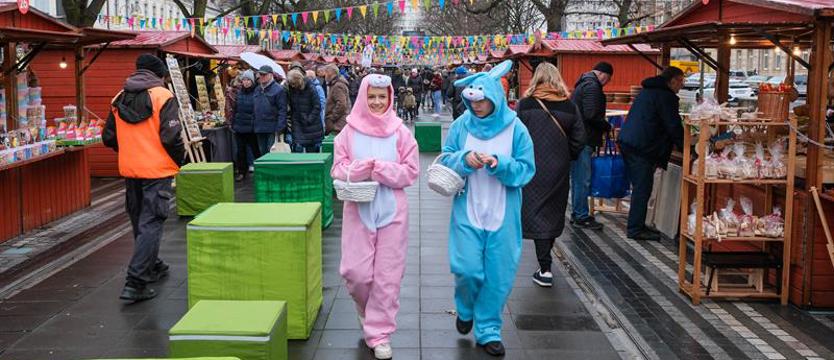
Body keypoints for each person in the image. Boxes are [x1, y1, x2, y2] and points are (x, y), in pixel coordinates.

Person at [439, 61, 535, 357]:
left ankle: (489, 329)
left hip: (503, 213)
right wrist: (464, 159)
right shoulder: (460, 126)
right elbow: (445, 160)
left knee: (499, 274)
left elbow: (526, 170)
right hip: (467, 208)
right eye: (472, 100)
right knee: (467, 269)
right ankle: (465, 307)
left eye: (482, 100)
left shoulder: (516, 128)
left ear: (495, 96)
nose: (477, 106)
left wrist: (501, 164)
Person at [332, 73, 419, 360]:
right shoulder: (349, 132)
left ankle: (379, 333)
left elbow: (411, 171)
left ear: (391, 98)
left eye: (383, 96)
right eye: (372, 97)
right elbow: (338, 168)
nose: (378, 102)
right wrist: (361, 169)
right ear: (362, 97)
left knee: (387, 278)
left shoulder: (400, 132)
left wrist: (380, 169)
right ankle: (365, 310)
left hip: (393, 212)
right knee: (356, 274)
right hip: (359, 210)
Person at [103, 54, 186, 302]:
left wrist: (130, 150)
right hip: (157, 170)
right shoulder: (163, 96)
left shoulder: (119, 97)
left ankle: (153, 264)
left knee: (140, 220)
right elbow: (171, 136)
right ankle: (136, 281)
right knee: (152, 223)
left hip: (131, 169)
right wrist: (178, 160)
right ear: (159, 75)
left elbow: (109, 137)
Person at [516, 63, 585, 287]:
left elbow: (515, 137)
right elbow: (579, 139)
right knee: (553, 211)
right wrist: (567, 156)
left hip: (531, 167)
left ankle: (545, 268)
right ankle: (545, 265)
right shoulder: (569, 106)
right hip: (558, 167)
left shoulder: (525, 105)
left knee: (535, 211)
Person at [618, 66, 685, 241]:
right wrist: (687, 147)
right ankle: (635, 229)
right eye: (681, 81)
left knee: (640, 186)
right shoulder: (666, 96)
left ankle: (638, 223)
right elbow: (673, 125)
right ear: (672, 81)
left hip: (631, 142)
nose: (682, 85)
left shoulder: (648, 91)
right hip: (642, 147)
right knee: (643, 187)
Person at [569, 61, 613, 231]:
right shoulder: (592, 86)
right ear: (603, 74)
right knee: (582, 179)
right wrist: (606, 126)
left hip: (578, 138)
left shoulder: (583, 83)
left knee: (578, 179)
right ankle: (581, 215)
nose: (606, 83)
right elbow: (591, 114)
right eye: (608, 79)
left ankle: (577, 212)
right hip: (584, 139)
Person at [230, 70, 261, 181]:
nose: (246, 82)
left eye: (248, 80)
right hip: (239, 126)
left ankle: (260, 170)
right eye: (244, 80)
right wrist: (233, 123)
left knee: (255, 150)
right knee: (240, 151)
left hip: (252, 127)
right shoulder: (239, 93)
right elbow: (235, 109)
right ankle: (242, 172)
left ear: (252, 81)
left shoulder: (257, 92)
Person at [254, 65, 288, 156]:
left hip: (272, 128)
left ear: (271, 75)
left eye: (264, 74)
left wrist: (280, 127)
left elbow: (282, 110)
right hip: (259, 127)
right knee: (262, 152)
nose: (262, 76)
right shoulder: (257, 89)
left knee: (271, 153)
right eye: (260, 74)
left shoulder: (279, 89)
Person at [286, 69, 324, 153]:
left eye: (293, 83)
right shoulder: (292, 89)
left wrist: (308, 119)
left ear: (298, 80)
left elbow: (317, 106)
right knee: (298, 150)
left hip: (311, 125)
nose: (292, 85)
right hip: (298, 123)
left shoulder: (310, 87)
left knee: (312, 153)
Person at [324, 64, 351, 134]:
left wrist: (332, 118)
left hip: (338, 124)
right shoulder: (336, 84)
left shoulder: (338, 85)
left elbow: (342, 104)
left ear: (330, 73)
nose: (325, 76)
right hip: (339, 123)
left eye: (326, 73)